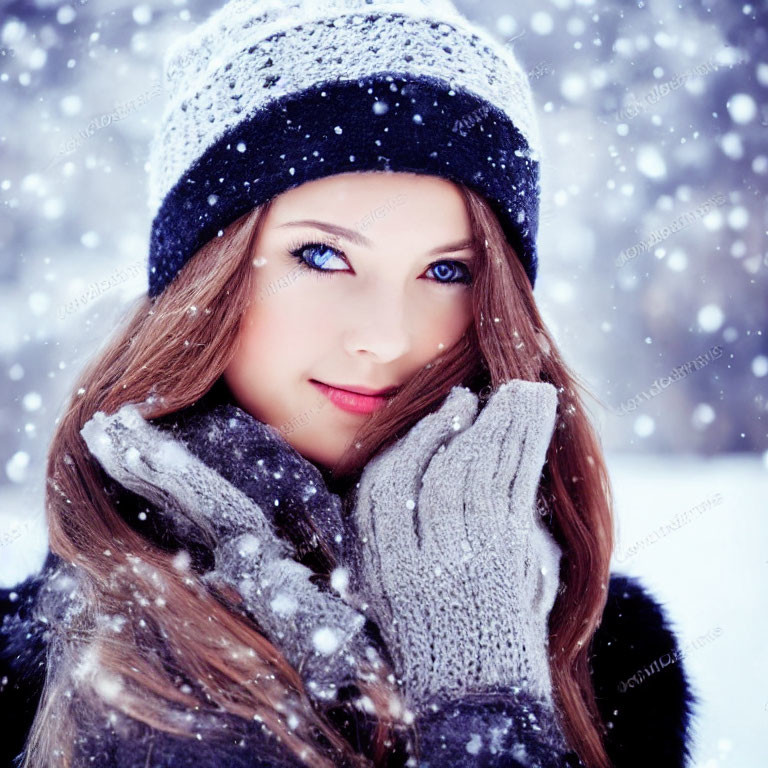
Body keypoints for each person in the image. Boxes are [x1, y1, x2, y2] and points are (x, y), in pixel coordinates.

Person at [0, 1, 697, 766]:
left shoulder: (604, 655)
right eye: (323, 257)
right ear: (207, 276)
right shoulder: (23, 667)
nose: (385, 337)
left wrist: (478, 683)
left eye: (446, 271)